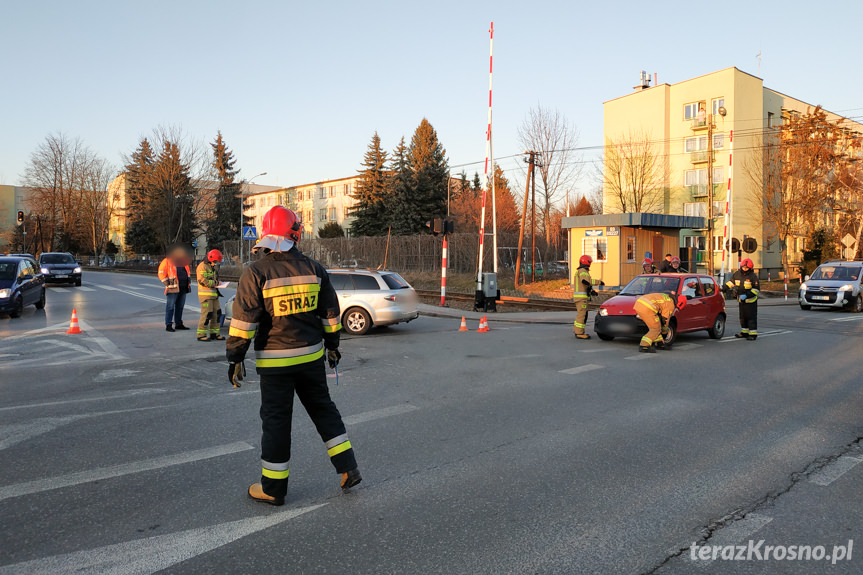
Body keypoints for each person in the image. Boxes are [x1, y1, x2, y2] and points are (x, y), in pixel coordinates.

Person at [226, 206, 360, 506]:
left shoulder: (256, 273)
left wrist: (235, 358)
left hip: (276, 363)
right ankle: (348, 468)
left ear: (266, 235)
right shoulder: (314, 269)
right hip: (311, 358)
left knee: (276, 422)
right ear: (294, 233)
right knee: (324, 410)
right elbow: (330, 314)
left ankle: (273, 488)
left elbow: (244, 322)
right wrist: (333, 345)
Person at [158, 245, 192, 332]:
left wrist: (188, 282)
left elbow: (187, 273)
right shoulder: (167, 261)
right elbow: (161, 273)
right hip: (173, 288)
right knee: (170, 307)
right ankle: (168, 324)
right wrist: (167, 283)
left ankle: (178, 324)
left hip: (183, 287)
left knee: (180, 307)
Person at [725, 258, 759, 340]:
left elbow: (756, 290)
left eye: (746, 268)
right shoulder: (737, 274)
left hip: (750, 302)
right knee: (742, 318)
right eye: (743, 267)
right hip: (741, 301)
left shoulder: (753, 276)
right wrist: (723, 288)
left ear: (750, 268)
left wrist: (746, 295)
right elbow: (731, 283)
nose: (745, 269)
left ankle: (753, 334)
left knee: (751, 318)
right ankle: (744, 332)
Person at [196, 249, 225, 342]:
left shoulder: (212, 266)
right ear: (211, 258)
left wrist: (218, 283)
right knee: (206, 314)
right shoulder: (202, 266)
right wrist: (216, 283)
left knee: (217, 314)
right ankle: (201, 335)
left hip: (214, 295)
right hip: (206, 296)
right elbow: (202, 281)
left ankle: (214, 333)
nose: (216, 263)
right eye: (215, 261)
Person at [573, 254, 604, 340]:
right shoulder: (583, 270)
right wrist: (599, 282)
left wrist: (591, 291)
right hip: (581, 298)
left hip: (580, 297)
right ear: (587, 262)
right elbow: (585, 281)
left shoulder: (581, 271)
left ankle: (578, 331)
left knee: (583, 314)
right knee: (582, 314)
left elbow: (585, 285)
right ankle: (579, 333)